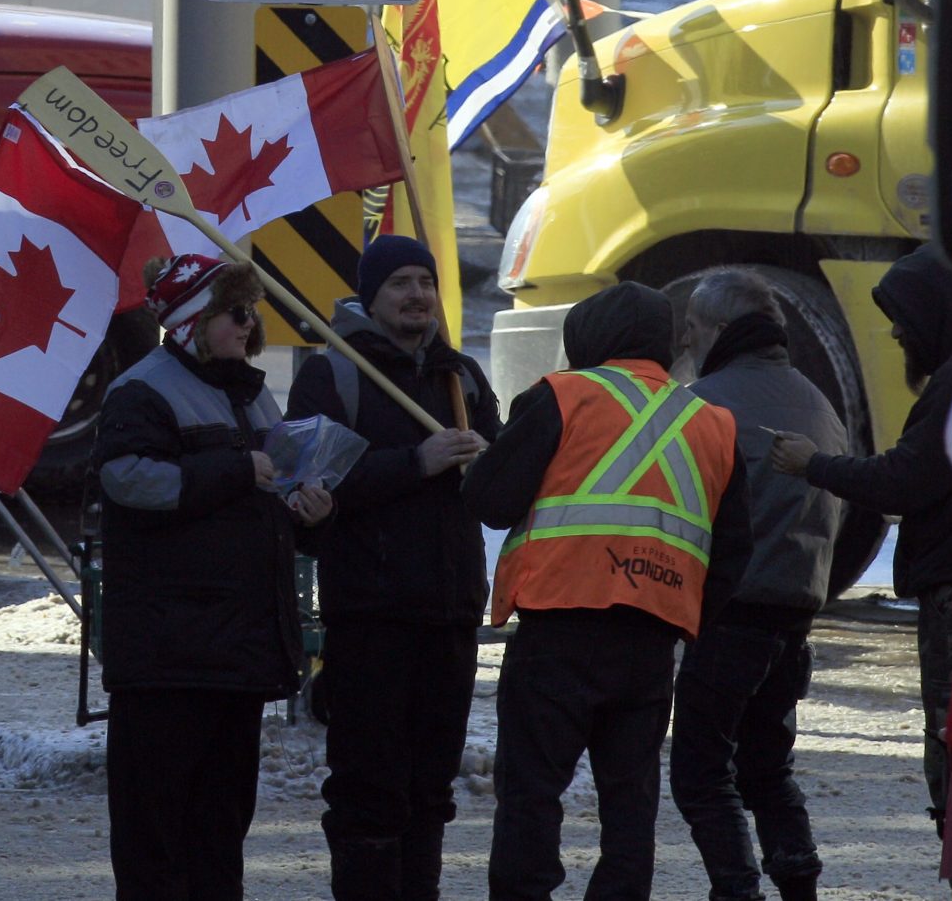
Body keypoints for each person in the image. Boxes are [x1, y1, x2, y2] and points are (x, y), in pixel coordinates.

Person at [463, 282, 752, 901]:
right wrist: (679, 612)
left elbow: (490, 502)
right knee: (630, 809)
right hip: (650, 639)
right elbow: (731, 555)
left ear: (587, 339)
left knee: (532, 796)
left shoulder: (563, 396)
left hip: (559, 631)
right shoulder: (712, 424)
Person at [93, 253, 335, 901]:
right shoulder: (142, 388)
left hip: (236, 653)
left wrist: (308, 510)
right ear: (194, 318)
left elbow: (277, 481)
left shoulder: (252, 390)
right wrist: (238, 469)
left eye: (252, 311)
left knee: (220, 836)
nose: (249, 324)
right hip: (168, 656)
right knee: (156, 841)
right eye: (236, 311)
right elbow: (129, 478)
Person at [284, 234, 499, 901]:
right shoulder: (333, 375)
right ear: (371, 296)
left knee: (431, 792)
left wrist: (490, 460)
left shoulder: (459, 375)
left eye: (425, 282)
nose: (417, 295)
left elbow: (495, 492)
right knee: (367, 790)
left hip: (451, 615)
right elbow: (309, 492)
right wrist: (416, 462)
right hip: (371, 619)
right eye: (401, 282)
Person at [769, 248, 952, 837]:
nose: (895, 329)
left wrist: (814, 464)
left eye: (903, 314)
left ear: (937, 310)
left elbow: (905, 479)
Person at [666, 271, 849, 901]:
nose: (685, 341)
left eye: (690, 328)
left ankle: (736, 888)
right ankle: (799, 884)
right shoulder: (820, 402)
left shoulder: (704, 402)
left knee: (699, 771)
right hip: (794, 620)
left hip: (731, 616)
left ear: (717, 330)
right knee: (768, 768)